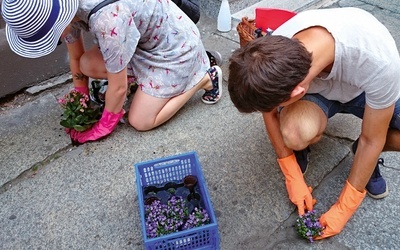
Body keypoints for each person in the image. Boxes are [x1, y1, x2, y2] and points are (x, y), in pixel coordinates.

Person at [228, 7, 400, 239]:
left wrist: (345, 207)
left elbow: (373, 138)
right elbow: (268, 111)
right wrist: (291, 173)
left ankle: (362, 156)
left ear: (297, 91)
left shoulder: (379, 61)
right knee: (295, 133)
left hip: (366, 90)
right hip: (318, 91)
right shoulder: (278, 46)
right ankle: (305, 147)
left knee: (374, 138)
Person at [2, 0, 223, 144]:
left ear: (58, 23)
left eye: (51, 37)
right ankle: (152, 85)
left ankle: (203, 77)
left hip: (173, 48)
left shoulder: (106, 20)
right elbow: (77, 58)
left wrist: (105, 124)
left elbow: (118, 88)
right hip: (140, 43)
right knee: (87, 64)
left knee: (141, 120)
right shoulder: (63, 8)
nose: (56, 41)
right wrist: (81, 94)